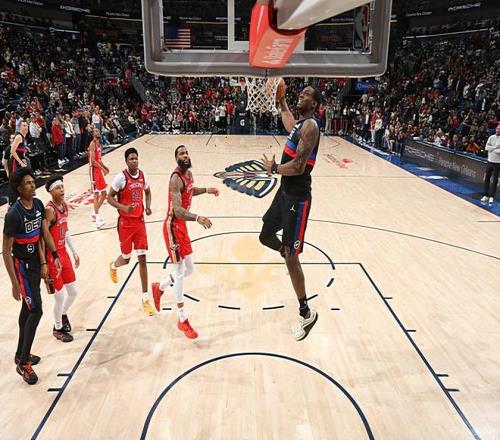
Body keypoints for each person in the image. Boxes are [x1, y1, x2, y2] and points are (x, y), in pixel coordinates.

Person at [260, 81, 321, 341]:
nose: (301, 95)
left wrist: (274, 169)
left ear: (314, 104)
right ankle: (287, 253)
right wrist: (282, 100)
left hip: (298, 197)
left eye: (306, 94)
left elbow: (298, 167)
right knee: (265, 235)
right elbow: (288, 123)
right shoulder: (299, 125)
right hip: (284, 193)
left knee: (292, 257)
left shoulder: (311, 126)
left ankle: (306, 312)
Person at [152, 145, 219, 339]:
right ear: (176, 158)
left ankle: (160, 287)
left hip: (182, 227)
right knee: (180, 271)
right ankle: (182, 318)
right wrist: (198, 218)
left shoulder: (188, 175)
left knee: (190, 269)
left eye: (187, 152)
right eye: (182, 153)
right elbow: (178, 210)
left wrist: (206, 190)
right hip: (172, 227)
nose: (186, 155)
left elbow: (190, 191)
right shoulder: (175, 178)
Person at [2, 168, 61, 384]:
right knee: (36, 310)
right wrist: (14, 283)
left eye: (33, 181)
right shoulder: (13, 214)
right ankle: (24, 363)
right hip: (22, 267)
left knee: (28, 309)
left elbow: (41, 235)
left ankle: (20, 354)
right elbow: (6, 251)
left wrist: (50, 257)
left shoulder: (37, 205)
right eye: (27, 183)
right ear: (19, 188)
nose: (32, 184)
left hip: (36, 263)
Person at [108, 148, 154, 316]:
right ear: (126, 161)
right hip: (125, 224)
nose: (134, 161)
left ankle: (145, 299)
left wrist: (147, 206)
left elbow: (148, 192)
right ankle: (113, 266)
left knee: (143, 260)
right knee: (126, 259)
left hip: (139, 222)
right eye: (131, 159)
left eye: (136, 158)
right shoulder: (121, 178)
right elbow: (109, 197)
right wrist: (123, 207)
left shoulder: (143, 176)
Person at [45, 176, 80, 343]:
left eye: (62, 186)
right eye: (58, 187)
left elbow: (65, 230)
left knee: (73, 292)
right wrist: (45, 261)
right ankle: (57, 328)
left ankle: (62, 314)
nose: (62, 189)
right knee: (59, 296)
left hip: (64, 253)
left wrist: (74, 251)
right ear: (51, 192)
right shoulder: (49, 210)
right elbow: (44, 235)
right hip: (53, 257)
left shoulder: (64, 206)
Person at [88, 128, 109, 228]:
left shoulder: (99, 144)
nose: (98, 132)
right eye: (96, 131)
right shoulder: (92, 144)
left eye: (98, 131)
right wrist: (103, 169)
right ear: (93, 134)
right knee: (96, 194)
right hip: (94, 171)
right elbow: (93, 161)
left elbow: (99, 160)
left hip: (99, 170)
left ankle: (94, 213)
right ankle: (97, 219)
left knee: (104, 194)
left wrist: (105, 167)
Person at [481, 123, 500, 204]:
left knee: (495, 180)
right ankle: (485, 195)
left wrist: (492, 149)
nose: (498, 130)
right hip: (489, 161)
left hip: (498, 163)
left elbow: (499, 152)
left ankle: (491, 196)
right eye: (497, 128)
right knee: (487, 179)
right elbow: (486, 148)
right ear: (496, 129)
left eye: (499, 129)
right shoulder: (491, 137)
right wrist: (495, 147)